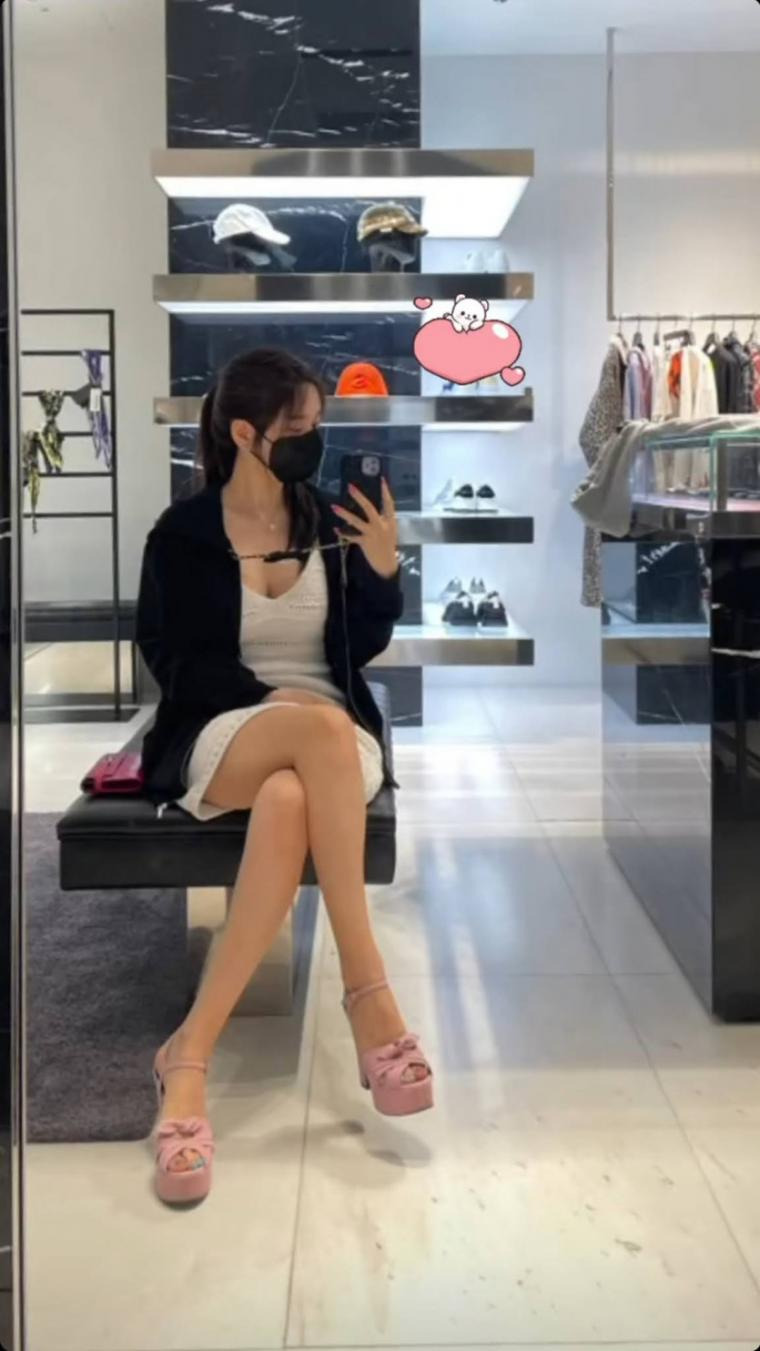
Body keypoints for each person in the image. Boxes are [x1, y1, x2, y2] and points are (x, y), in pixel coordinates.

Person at [136, 348, 433, 1205]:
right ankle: (369, 994)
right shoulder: (182, 535)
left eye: (317, 423)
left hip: (330, 742)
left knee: (294, 788)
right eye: (297, 426)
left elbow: (358, 645)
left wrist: (383, 570)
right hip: (224, 727)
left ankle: (187, 1054)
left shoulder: (329, 518)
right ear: (244, 433)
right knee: (310, 737)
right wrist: (273, 705)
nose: (313, 438)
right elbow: (172, 659)